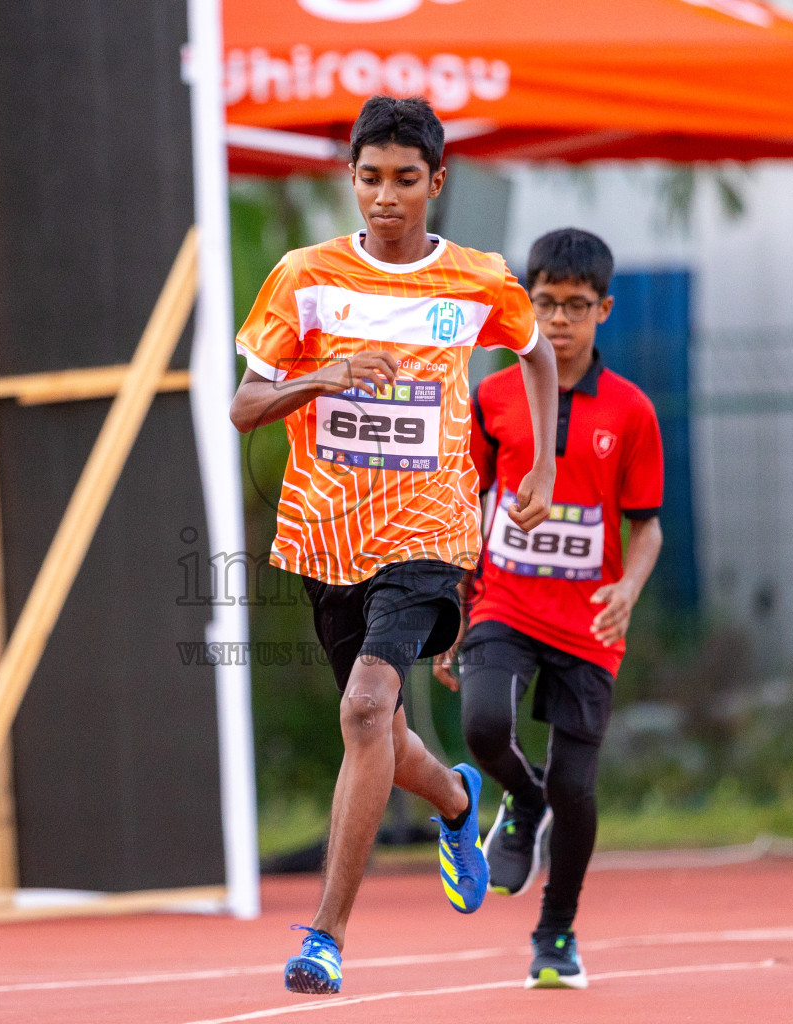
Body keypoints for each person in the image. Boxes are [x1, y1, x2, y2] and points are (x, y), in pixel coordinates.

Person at [230, 95, 559, 996]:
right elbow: (243, 407)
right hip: (328, 535)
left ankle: (326, 937)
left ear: (436, 183)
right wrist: (324, 374)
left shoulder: (477, 279)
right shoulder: (304, 278)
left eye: (405, 180)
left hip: (431, 533)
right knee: (381, 730)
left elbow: (536, 351)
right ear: (352, 180)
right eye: (369, 178)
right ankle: (456, 798)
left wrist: (541, 465)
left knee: (367, 712)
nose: (384, 197)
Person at [436, 228, 664, 989]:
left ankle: (556, 933)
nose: (558, 320)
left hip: (589, 622)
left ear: (603, 308)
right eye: (544, 303)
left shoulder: (631, 411)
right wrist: (451, 608)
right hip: (503, 598)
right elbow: (465, 509)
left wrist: (627, 590)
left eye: (574, 306)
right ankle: (520, 800)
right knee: (481, 726)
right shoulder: (493, 396)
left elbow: (648, 526)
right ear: (524, 305)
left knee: (578, 787)